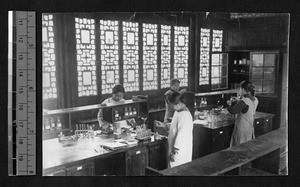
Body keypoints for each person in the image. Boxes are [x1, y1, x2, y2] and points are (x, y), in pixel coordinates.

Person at [159, 90, 194, 168]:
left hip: (179, 151)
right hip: (173, 148)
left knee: (178, 170)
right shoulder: (178, 111)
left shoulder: (185, 115)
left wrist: (174, 153)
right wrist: (165, 126)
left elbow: (182, 137)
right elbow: (175, 128)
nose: (171, 108)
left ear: (178, 103)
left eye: (171, 105)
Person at [227, 80, 259, 147]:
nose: (239, 91)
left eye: (240, 89)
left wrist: (229, 105)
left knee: (239, 147)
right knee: (247, 146)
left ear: (243, 89)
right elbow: (248, 104)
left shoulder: (243, 102)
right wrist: (239, 100)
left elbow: (233, 111)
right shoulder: (255, 100)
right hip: (250, 128)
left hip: (242, 128)